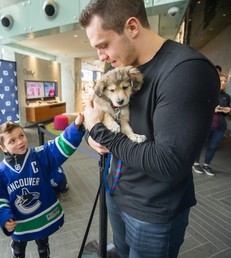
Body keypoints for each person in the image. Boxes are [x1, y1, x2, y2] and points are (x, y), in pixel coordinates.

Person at [79, 0, 219, 257]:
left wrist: (99, 132)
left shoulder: (186, 71)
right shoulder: (118, 68)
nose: (101, 56)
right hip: (115, 191)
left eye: (103, 44)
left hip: (152, 212)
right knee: (121, 252)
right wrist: (93, 136)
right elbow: (98, 113)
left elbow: (168, 163)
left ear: (132, 26)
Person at [0, 116, 84, 258]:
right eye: (12, 141)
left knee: (43, 246)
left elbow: (58, 146)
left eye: (21, 136)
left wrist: (75, 126)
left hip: (43, 216)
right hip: (20, 223)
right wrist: (4, 218)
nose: (20, 141)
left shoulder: (39, 155)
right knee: (19, 249)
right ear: (3, 147)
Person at [193, 74, 231, 176]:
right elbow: (199, 109)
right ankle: (196, 163)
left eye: (225, 81)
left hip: (220, 126)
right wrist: (213, 110)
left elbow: (228, 113)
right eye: (221, 80)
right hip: (206, 124)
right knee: (200, 145)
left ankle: (206, 165)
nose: (223, 83)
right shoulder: (208, 93)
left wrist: (228, 110)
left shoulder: (226, 96)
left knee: (213, 146)